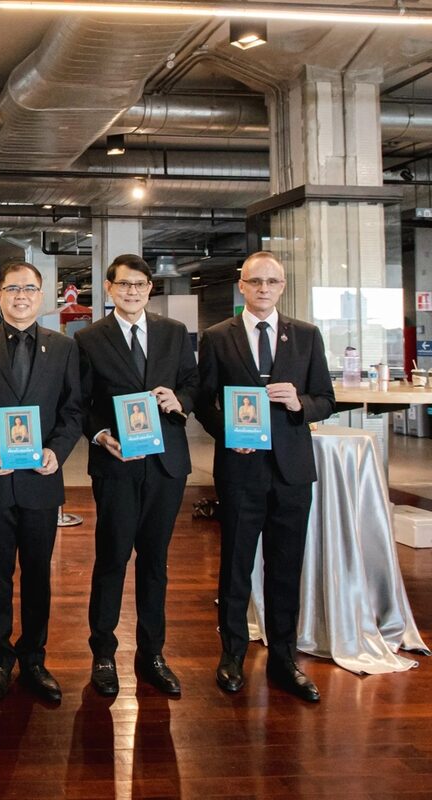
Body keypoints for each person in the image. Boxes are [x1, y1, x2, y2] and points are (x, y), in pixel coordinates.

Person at [196, 251, 335, 703]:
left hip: (292, 470)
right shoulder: (218, 337)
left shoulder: (307, 336)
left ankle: (283, 658)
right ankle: (232, 653)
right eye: (255, 281)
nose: (263, 288)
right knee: (235, 564)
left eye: (271, 281)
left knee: (285, 567)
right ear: (241, 286)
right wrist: (225, 433)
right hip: (240, 469)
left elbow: (326, 398)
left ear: (282, 286)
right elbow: (203, 401)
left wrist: (299, 403)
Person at [0, 259, 83, 702]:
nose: (21, 296)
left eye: (29, 289)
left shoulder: (63, 348)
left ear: (42, 296)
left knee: (37, 575)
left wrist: (58, 451)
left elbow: (73, 411)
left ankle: (34, 658)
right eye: (12, 289)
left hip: (41, 480)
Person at [75, 253, 198, 698]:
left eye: (140, 285)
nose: (132, 291)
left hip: (167, 465)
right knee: (111, 560)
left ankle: (153, 654)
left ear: (151, 289)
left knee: (155, 563)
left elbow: (193, 384)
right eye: (123, 284)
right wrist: (101, 433)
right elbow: (80, 404)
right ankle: (103, 654)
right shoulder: (88, 338)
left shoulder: (173, 333)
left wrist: (177, 399)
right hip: (117, 464)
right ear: (108, 288)